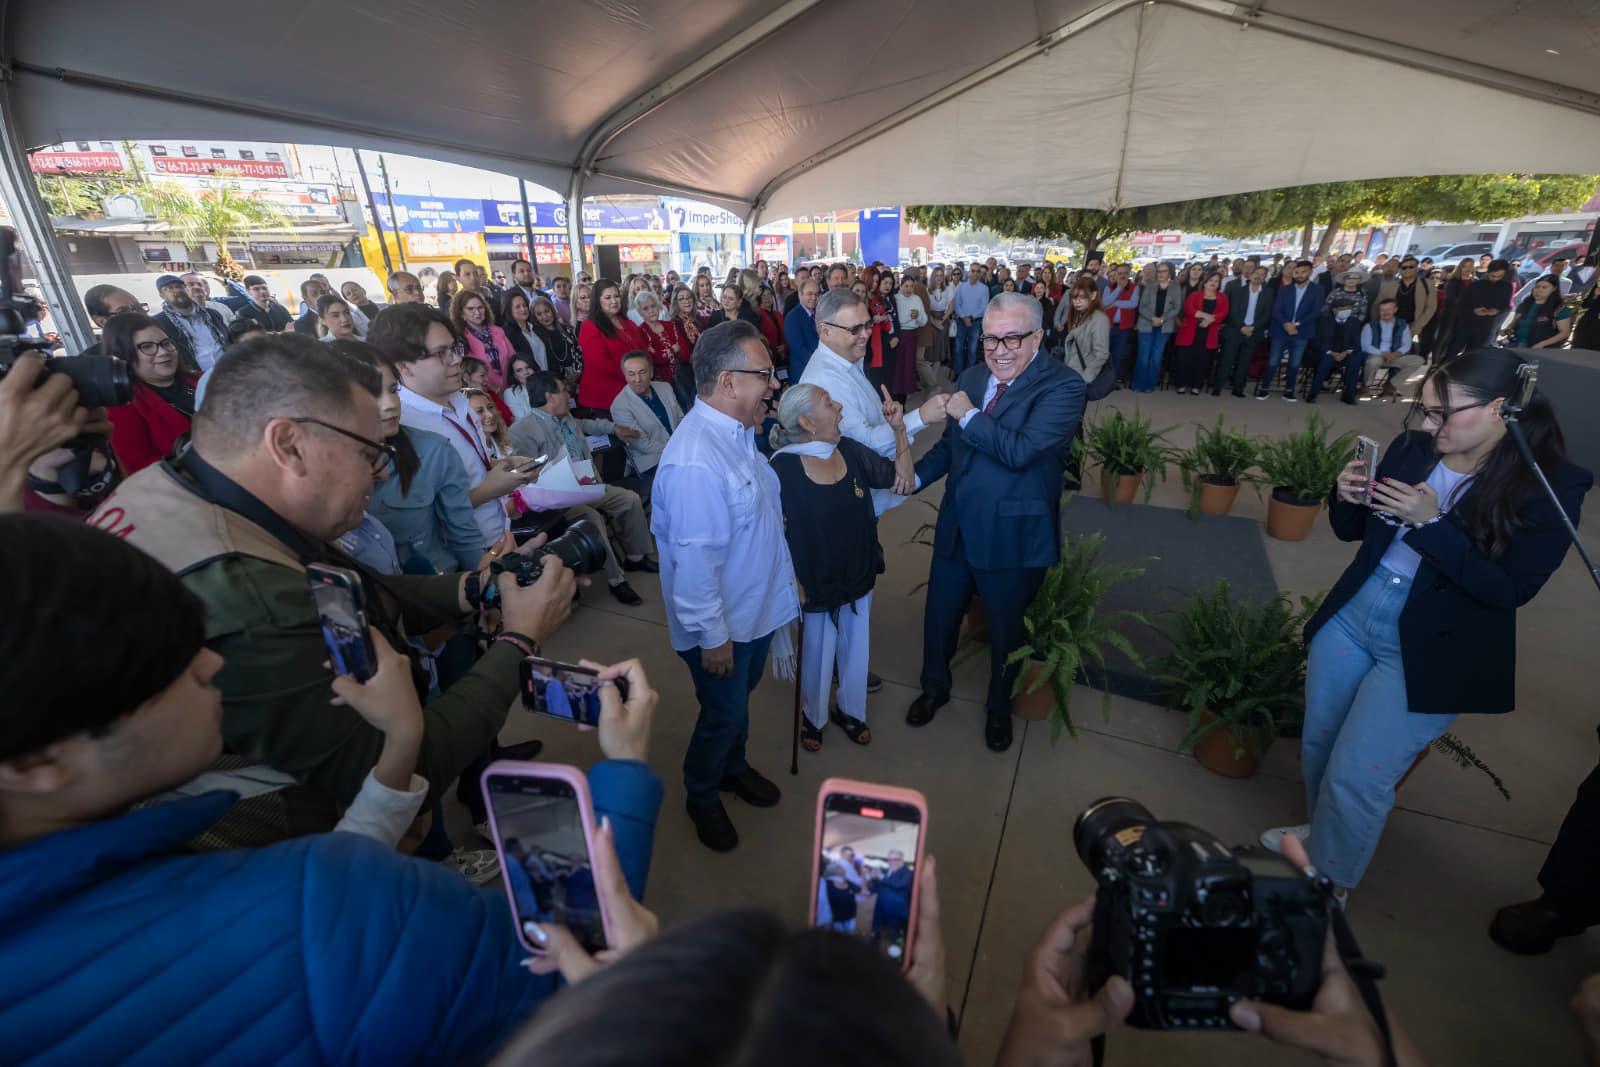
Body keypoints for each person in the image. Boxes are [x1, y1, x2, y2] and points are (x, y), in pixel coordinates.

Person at [0, 513, 665, 1065]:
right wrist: (625, 769)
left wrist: (399, 746)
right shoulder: (319, 902)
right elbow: (572, 968)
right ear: (36, 759)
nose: (210, 661)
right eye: (166, 659)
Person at [84, 333, 577, 848]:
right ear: (289, 445)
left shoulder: (181, 483)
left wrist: (474, 588)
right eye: (368, 451)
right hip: (291, 861)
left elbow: (346, 589)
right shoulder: (251, 598)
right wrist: (519, 641)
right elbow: (395, 770)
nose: (378, 472)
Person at [1260, 349, 1591, 901]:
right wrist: (1345, 496)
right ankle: (1323, 833)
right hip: (1356, 612)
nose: (1428, 424)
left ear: (1500, 409)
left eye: (1443, 413)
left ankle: (1327, 888)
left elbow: (1510, 591)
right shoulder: (1414, 448)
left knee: (1359, 775)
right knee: (1320, 742)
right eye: (1425, 409)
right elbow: (1355, 532)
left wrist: (1432, 524)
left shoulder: (1549, 485)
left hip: (1434, 640)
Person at [908, 293, 1085, 753]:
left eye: (1013, 337)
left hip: (1012, 534)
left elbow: (1021, 451)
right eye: (990, 337)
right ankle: (934, 688)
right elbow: (951, 448)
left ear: (1039, 337)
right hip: (958, 525)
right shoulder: (972, 376)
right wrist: (912, 478)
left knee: (1007, 630)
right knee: (939, 616)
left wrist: (966, 412)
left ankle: (998, 709)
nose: (999, 349)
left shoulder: (1064, 388)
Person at [652, 320, 798, 852]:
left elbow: (759, 519)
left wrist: (786, 581)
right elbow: (695, 567)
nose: (774, 384)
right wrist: (713, 638)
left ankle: (733, 767)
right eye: (764, 374)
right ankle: (703, 793)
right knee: (723, 713)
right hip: (722, 626)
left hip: (755, 609)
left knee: (739, 704)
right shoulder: (696, 461)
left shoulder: (739, 434)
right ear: (728, 382)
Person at [771, 383, 913, 752]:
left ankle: (851, 711)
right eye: (828, 403)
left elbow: (904, 482)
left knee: (856, 648)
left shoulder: (848, 450)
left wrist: (899, 430)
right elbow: (772, 536)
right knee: (816, 654)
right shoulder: (781, 469)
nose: (839, 408)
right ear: (806, 421)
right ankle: (813, 715)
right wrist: (792, 582)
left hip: (857, 571)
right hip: (813, 581)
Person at [371, 303, 536, 553]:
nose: (457, 359)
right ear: (402, 365)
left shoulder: (460, 399)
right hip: (463, 556)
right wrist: (489, 490)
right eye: (441, 353)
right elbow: (420, 521)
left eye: (454, 348)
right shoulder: (402, 426)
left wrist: (504, 466)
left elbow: (467, 469)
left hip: (498, 533)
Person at [507, 372, 654, 606]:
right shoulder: (521, 430)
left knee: (629, 499)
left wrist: (613, 427)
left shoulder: (566, 417)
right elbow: (526, 475)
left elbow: (587, 424)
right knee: (592, 518)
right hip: (560, 499)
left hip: (589, 485)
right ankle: (617, 581)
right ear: (550, 396)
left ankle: (636, 557)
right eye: (563, 390)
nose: (569, 395)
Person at [800, 289, 948, 517]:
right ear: (824, 331)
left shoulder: (848, 361)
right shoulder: (826, 380)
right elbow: (866, 446)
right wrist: (922, 417)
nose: (866, 334)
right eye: (854, 329)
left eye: (868, 325)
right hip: (857, 503)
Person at [362, 349, 488, 574]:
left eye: (393, 390)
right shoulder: (319, 469)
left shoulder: (434, 451)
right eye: (371, 393)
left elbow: (464, 535)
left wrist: (486, 589)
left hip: (443, 589)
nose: (390, 403)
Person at [102, 312, 198, 474]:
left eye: (166, 343)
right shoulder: (123, 405)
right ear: (124, 355)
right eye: (147, 347)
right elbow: (140, 468)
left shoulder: (201, 379)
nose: (163, 352)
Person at [609, 351, 684, 494]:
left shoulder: (665, 387)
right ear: (625, 376)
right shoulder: (620, 406)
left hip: (680, 450)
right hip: (652, 460)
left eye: (642, 372)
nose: (637, 379)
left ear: (651, 372)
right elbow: (643, 445)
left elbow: (681, 420)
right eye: (631, 374)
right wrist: (677, 451)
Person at [577, 280, 648, 411]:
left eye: (616, 296)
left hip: (632, 390)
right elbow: (601, 364)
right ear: (598, 301)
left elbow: (643, 351)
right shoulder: (589, 326)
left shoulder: (628, 323)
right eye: (608, 297)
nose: (614, 301)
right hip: (604, 397)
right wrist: (634, 376)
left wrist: (643, 373)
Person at [1260, 259, 1320, 401]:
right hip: (1281, 330)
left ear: (1310, 272)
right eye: (1297, 272)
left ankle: (1289, 391)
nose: (1299, 275)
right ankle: (1264, 388)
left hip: (1301, 332)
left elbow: (1315, 312)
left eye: (1303, 272)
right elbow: (1276, 310)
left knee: (1295, 362)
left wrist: (1296, 324)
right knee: (1273, 360)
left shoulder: (1317, 290)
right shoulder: (1285, 289)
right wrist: (1286, 324)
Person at [1305, 272, 1366, 404]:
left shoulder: (1354, 322)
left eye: (1349, 308)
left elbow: (1356, 343)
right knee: (1325, 360)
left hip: (1346, 352)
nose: (1347, 311)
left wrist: (1345, 352)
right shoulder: (1325, 321)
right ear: (1334, 310)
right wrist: (1331, 352)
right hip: (1327, 352)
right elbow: (1317, 341)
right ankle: (1313, 393)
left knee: (1355, 360)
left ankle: (1349, 395)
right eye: (1343, 308)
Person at [151, 272, 227, 374]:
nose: (176, 290)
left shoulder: (212, 315)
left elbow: (227, 341)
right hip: (195, 378)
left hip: (228, 371)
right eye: (169, 288)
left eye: (179, 287)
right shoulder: (159, 322)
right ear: (162, 295)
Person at [1217, 264, 1271, 397]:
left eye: (1262, 274)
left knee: (1245, 362)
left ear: (1265, 278)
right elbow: (1233, 312)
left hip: (1253, 332)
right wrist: (1242, 327)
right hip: (1236, 330)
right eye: (1256, 273)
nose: (1258, 276)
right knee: (1227, 360)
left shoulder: (1268, 293)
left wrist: (1253, 327)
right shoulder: (1239, 291)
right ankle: (1217, 387)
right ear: (1250, 275)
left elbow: (1267, 314)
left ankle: (1238, 389)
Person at [1171, 272, 1228, 396]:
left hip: (1209, 333)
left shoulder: (1222, 297)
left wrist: (1210, 320)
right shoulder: (1195, 295)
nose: (1213, 283)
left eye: (1216, 281)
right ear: (1205, 282)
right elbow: (1189, 309)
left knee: (1202, 361)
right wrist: (1205, 316)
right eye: (1211, 280)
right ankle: (1181, 384)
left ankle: (1196, 386)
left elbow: (1224, 313)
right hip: (1190, 331)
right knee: (1184, 360)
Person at [1360, 299, 1422, 400]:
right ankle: (1366, 386)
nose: (1385, 312)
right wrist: (1383, 353)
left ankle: (1391, 385)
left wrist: (1397, 353)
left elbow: (1407, 344)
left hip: (1394, 356)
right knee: (1373, 361)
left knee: (1418, 360)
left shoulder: (1402, 325)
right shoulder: (1370, 326)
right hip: (1377, 356)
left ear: (1395, 310)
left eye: (1389, 309)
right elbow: (1365, 346)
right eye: (1382, 310)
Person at [1451, 258, 1515, 356]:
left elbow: (1506, 306)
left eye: (1500, 276)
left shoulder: (1507, 287)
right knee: (1452, 352)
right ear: (1488, 272)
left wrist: (1497, 311)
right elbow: (1460, 305)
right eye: (1493, 276)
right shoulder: (1476, 285)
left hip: (1486, 328)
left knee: (1473, 356)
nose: (1495, 279)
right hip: (1466, 324)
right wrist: (1474, 311)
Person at [1373, 255, 1435, 357]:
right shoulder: (1392, 284)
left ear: (1417, 268)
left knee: (1400, 356)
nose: (1407, 269)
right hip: (1389, 324)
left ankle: (1394, 372)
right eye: (1404, 267)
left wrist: (1415, 328)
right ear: (1400, 270)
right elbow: (1377, 304)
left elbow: (1430, 308)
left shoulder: (1427, 284)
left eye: (1411, 267)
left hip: (1410, 326)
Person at [453, 288, 515, 389]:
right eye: (470, 309)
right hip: (486, 393)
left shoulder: (498, 331)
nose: (477, 312)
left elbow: (513, 358)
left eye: (480, 307)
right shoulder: (461, 339)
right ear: (461, 314)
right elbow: (464, 373)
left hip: (511, 389)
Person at [1504, 274, 1574, 350]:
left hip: (1538, 349)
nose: (1539, 290)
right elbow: (1514, 322)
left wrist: (1542, 344)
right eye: (1537, 287)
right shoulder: (1525, 304)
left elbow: (1564, 332)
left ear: (1554, 289)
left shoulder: (1559, 309)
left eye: (1544, 287)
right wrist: (1507, 330)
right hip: (1514, 344)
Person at [633, 289, 684, 385]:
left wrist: (664, 353)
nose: (651, 311)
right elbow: (653, 358)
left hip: (681, 377)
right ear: (640, 313)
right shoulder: (640, 332)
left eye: (653, 306)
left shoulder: (670, 325)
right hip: (660, 382)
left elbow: (682, 349)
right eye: (646, 308)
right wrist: (673, 350)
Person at [952, 265, 990, 377]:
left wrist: (971, 318)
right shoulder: (961, 287)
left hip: (976, 322)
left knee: (972, 351)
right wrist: (964, 317)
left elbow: (984, 307)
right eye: (973, 271)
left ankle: (970, 375)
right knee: (958, 349)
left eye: (978, 271)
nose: (975, 273)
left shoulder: (984, 288)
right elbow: (957, 304)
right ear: (969, 272)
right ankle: (958, 374)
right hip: (961, 321)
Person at [784, 276, 822, 382]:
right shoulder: (793, 317)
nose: (814, 297)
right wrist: (820, 363)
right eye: (810, 294)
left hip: (818, 372)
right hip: (803, 373)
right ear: (800, 294)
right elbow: (799, 349)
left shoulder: (818, 314)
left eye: (816, 294)